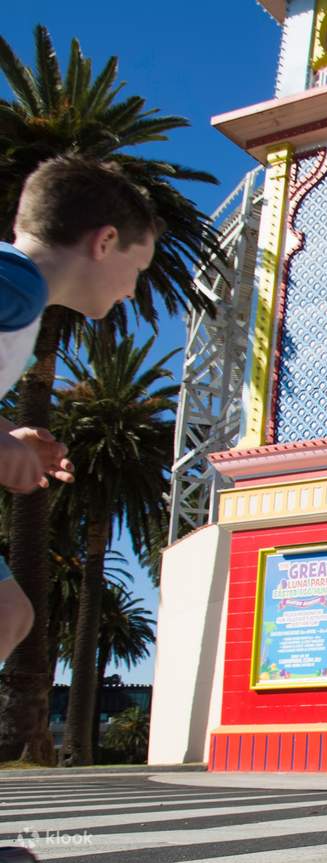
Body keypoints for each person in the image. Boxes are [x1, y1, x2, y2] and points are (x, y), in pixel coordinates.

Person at [0, 155, 158, 664]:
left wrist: (9, 434)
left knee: (10, 614)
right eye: (137, 268)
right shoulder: (14, 287)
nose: (133, 290)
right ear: (105, 242)